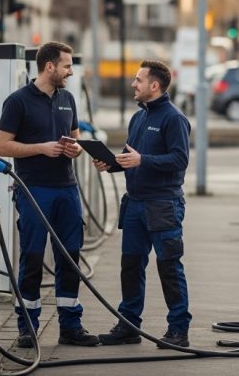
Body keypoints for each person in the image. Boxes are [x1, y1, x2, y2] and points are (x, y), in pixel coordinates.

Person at [0, 41, 98, 348]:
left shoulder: (67, 98)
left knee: (70, 256)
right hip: (33, 189)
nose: (70, 71)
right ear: (49, 66)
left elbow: (77, 142)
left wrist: (74, 149)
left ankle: (70, 325)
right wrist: (41, 148)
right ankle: (28, 325)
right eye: (66, 66)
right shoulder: (18, 101)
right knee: (33, 256)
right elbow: (3, 146)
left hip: (67, 188)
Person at [93, 60, 193, 348]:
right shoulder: (138, 118)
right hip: (135, 205)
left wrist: (143, 160)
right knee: (131, 266)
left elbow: (179, 160)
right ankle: (128, 326)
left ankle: (178, 330)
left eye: (138, 80)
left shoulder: (174, 119)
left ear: (155, 85)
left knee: (169, 267)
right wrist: (110, 164)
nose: (133, 84)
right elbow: (129, 157)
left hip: (163, 205)